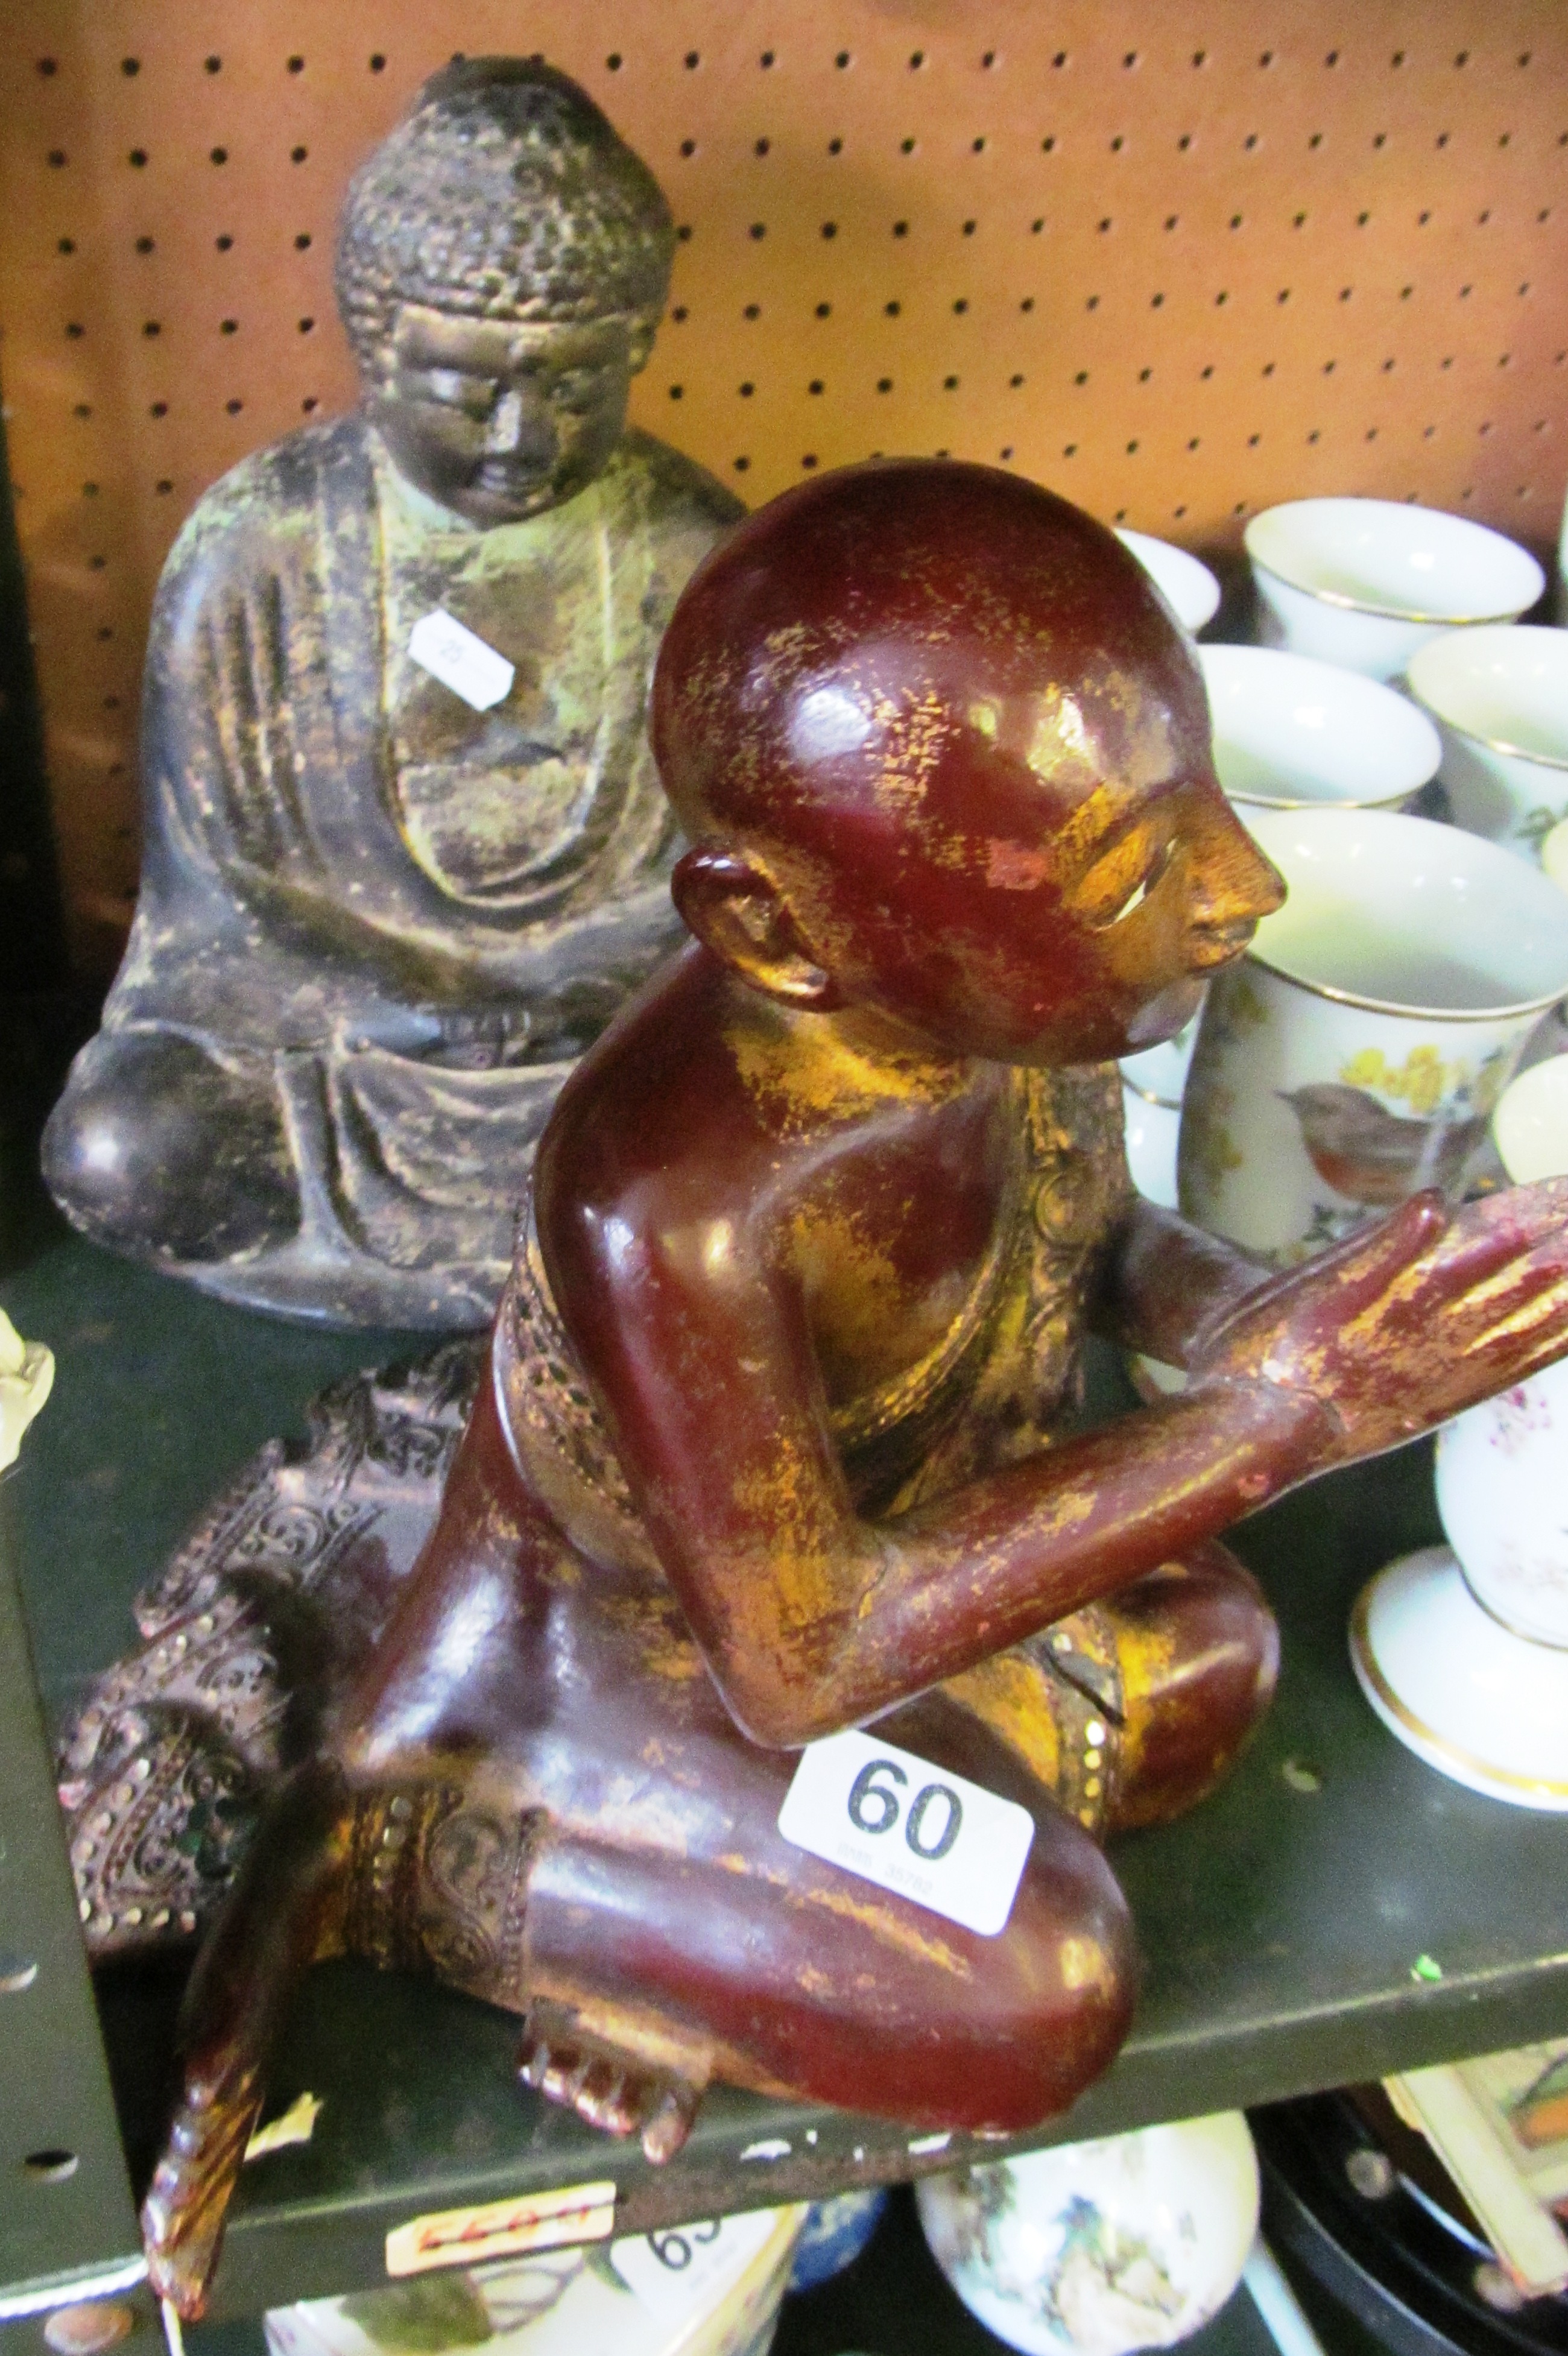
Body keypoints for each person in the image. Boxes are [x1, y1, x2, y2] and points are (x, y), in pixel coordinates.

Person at [141, 464, 1568, 2315]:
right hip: (653, 1665)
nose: (1246, 887)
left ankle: (773, 1885)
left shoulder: (997, 998)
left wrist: (1314, 1324)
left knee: (1216, 1657)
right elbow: (797, 1659)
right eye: (1141, 864)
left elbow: (1110, 1245)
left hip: (868, 1570)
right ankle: (499, 1874)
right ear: (779, 932)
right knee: (1046, 1983)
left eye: (1200, 802)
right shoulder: (674, 1195)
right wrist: (1289, 1414)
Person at [43, 58, 740, 1326]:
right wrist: (418, 996)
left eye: (574, 387)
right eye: (469, 392)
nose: (521, 438)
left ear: (637, 345)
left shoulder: (689, 550)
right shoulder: (260, 544)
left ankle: (596, 1226)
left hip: (600, 1036)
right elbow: (217, 893)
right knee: (121, 1151)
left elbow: (729, 866)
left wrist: (580, 984)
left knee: (819, 1112)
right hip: (343, 1055)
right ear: (375, 346)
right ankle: (580, 1243)